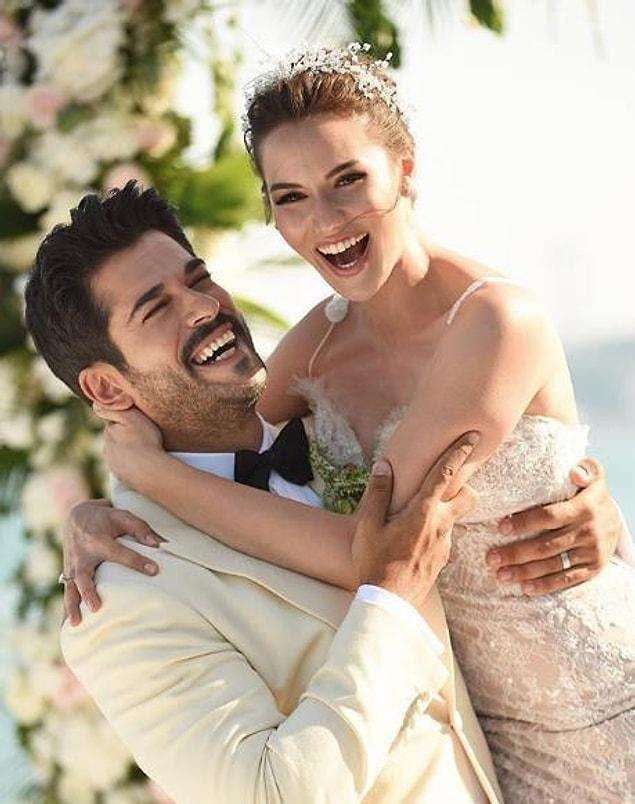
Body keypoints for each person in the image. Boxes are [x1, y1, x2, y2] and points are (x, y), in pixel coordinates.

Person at [62, 45, 634, 802]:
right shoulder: (312, 350)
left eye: (347, 181)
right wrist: (94, 511)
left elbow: (376, 551)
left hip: (600, 708)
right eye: (291, 196)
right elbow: (215, 440)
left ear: (404, 168)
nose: (324, 221)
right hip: (487, 745)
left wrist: (148, 473)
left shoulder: (496, 323)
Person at [25, 186, 505, 802]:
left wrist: (588, 510)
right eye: (156, 308)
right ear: (107, 389)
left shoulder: (348, 421)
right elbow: (272, 794)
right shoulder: (123, 602)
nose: (204, 306)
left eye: (198, 278)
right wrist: (388, 603)